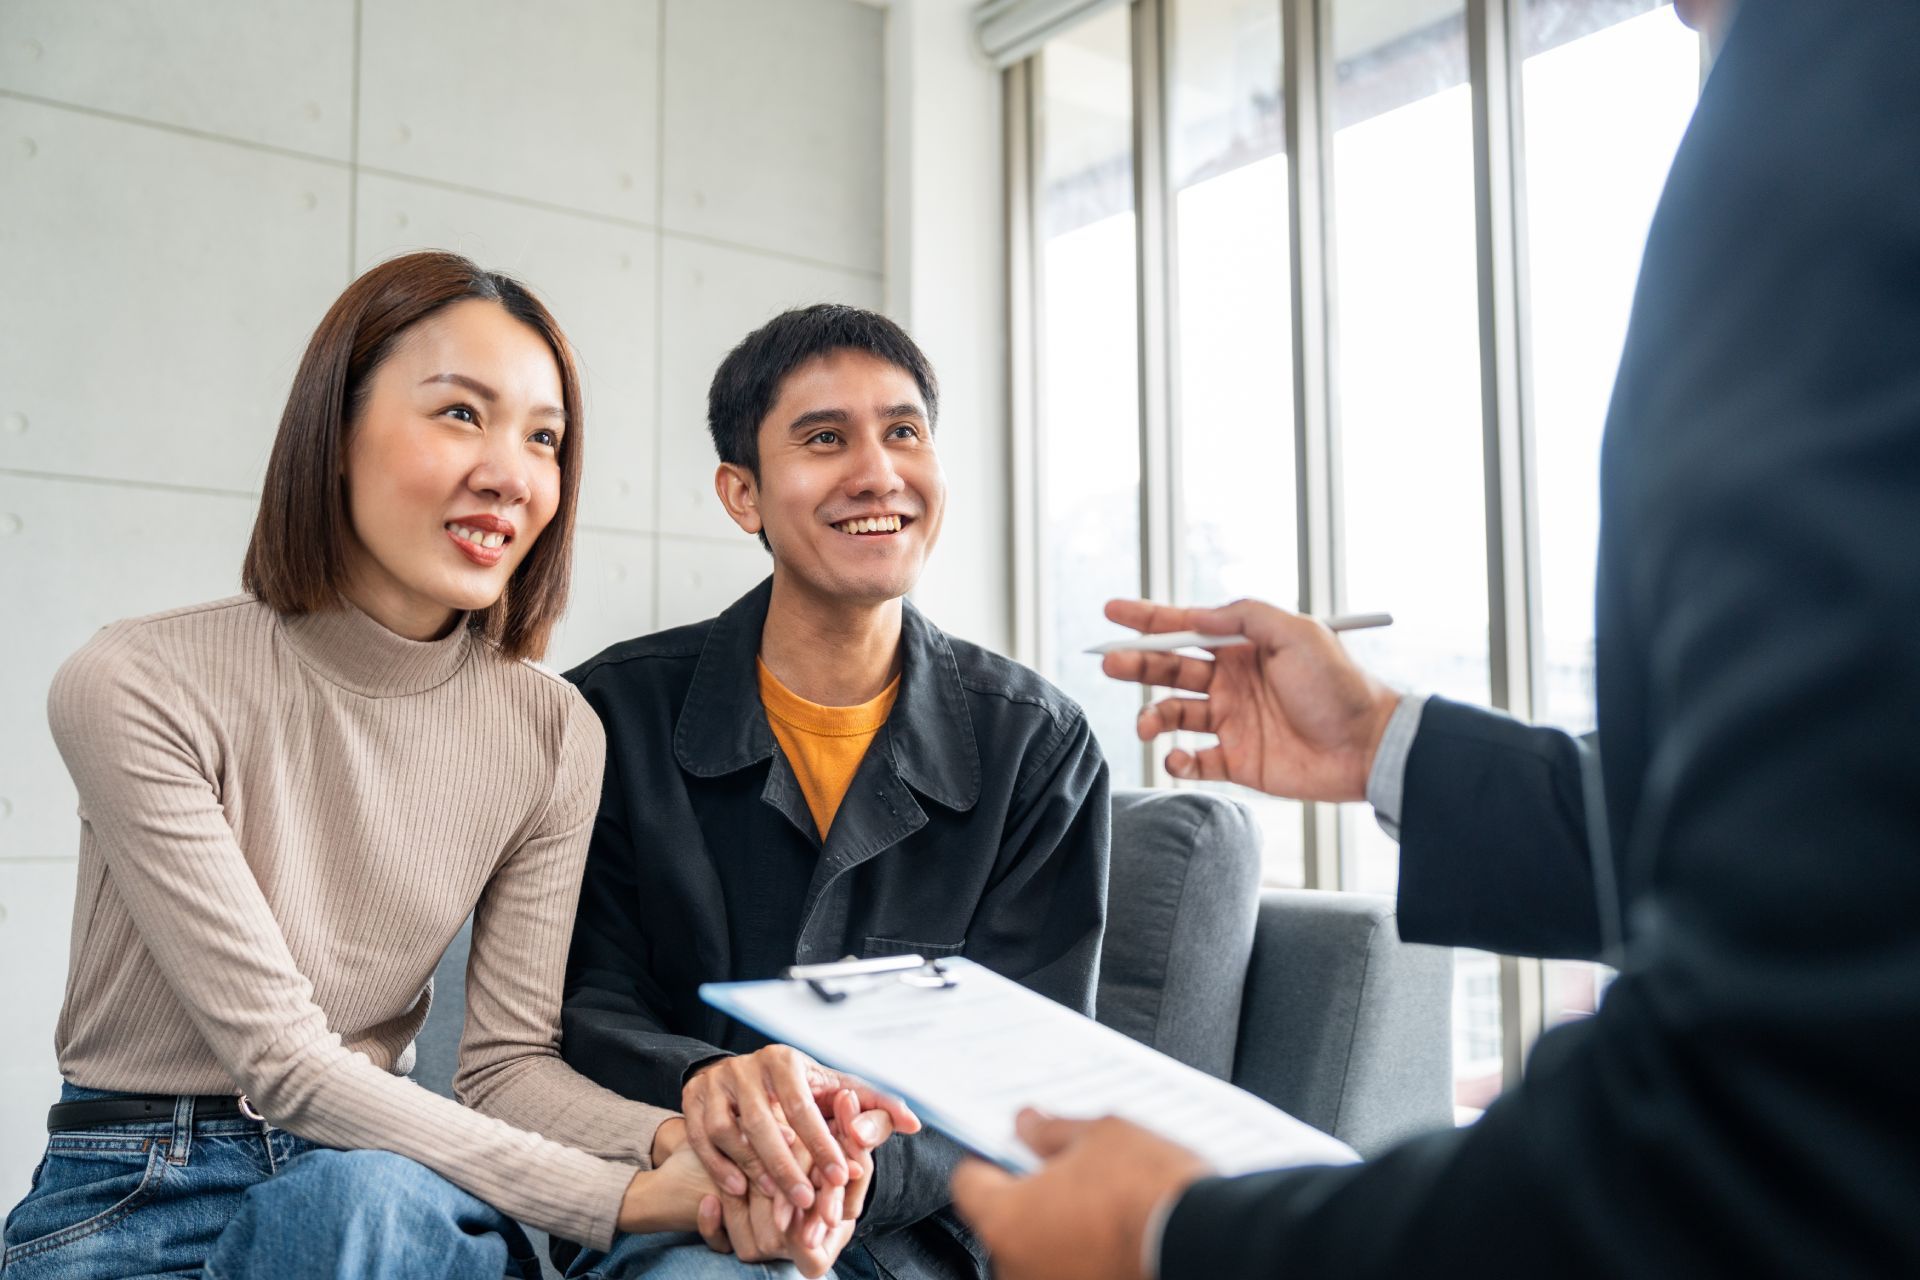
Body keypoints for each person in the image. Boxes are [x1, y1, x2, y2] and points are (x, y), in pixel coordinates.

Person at [950, 0, 1920, 1275]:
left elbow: (1761, 1114)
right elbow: (1816, 819)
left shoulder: (1838, 95)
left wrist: (1178, 1237)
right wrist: (1383, 740)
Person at [0, 252, 869, 1279]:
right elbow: (284, 1063)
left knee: (354, 1199)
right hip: (135, 1199)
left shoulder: (551, 729)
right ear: (334, 433)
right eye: (461, 414)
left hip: (383, 1195)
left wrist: (689, 1147)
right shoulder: (137, 681)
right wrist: (627, 1194)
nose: (511, 472)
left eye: (544, 438)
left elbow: (504, 1069)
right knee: (351, 1195)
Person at [557, 304, 1111, 1279]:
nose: (877, 471)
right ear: (744, 495)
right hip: (680, 1216)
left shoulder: (1038, 745)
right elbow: (587, 1007)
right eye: (824, 439)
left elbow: (1024, 1069)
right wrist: (717, 1107)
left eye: (904, 431)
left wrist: (834, 1174)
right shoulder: (612, 712)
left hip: (918, 1242)